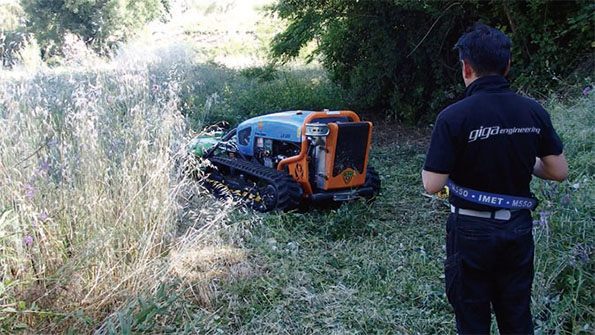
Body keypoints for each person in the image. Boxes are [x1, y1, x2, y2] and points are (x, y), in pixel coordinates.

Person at [421, 23, 568, 334]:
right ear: (507, 65)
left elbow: (433, 185)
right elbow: (558, 171)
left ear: (466, 67)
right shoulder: (533, 111)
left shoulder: (453, 117)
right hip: (517, 228)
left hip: (470, 230)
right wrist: (518, 158)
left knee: (472, 319)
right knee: (516, 316)